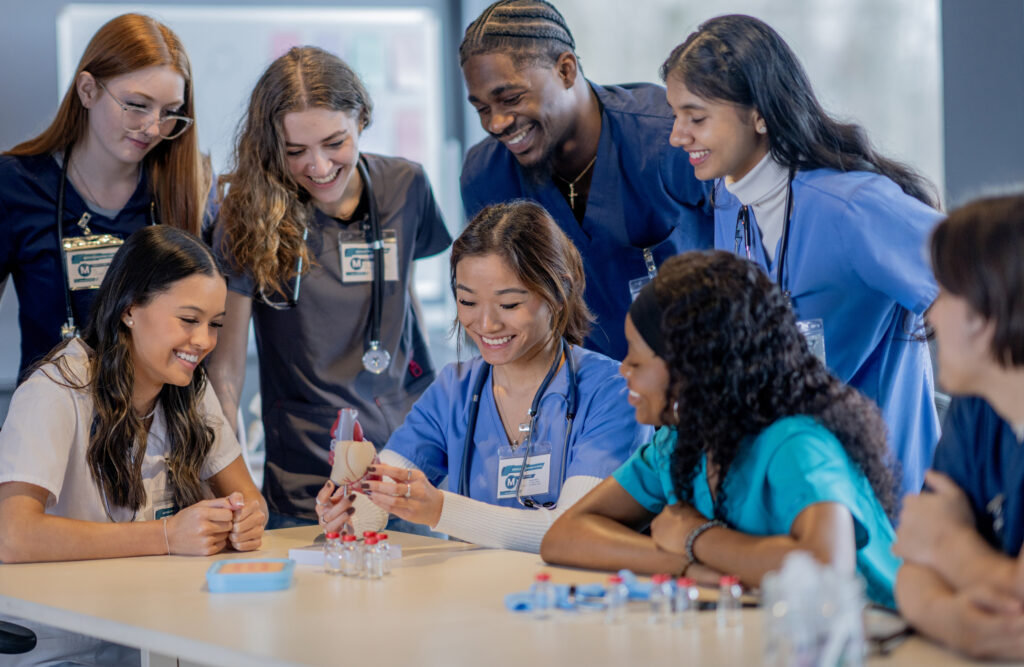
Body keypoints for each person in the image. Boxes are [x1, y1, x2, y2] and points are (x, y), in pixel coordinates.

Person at [661, 14, 942, 497]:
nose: (676, 136)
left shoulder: (853, 207)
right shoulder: (730, 200)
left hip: (887, 491)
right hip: (796, 483)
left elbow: (980, 291)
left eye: (696, 117)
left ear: (759, 113)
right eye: (675, 115)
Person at [541, 251, 900, 608]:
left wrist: (696, 537)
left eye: (636, 358)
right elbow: (564, 536)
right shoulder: (679, 441)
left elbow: (826, 568)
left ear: (692, 367)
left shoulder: (796, 442)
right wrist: (684, 564)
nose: (624, 371)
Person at [208, 46, 451, 528]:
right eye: (295, 151)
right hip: (305, 472)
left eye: (334, 143)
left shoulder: (406, 186)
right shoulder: (247, 211)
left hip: (407, 462)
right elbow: (226, 366)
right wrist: (231, 483)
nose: (318, 167)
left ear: (361, 118)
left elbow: (406, 305)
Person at [318, 200, 651, 552]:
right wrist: (350, 507)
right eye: (468, 302)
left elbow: (575, 531)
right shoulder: (454, 390)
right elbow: (385, 490)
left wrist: (441, 510)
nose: (487, 324)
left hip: (576, 599)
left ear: (560, 291)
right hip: (475, 598)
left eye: (509, 305)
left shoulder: (614, 392)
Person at [0, 225, 266, 665]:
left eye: (215, 325)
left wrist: (245, 521)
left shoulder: (190, 389)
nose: (204, 341)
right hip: (63, 648)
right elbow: (11, 535)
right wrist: (165, 535)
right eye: (189, 320)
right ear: (129, 309)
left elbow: (248, 498)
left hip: (155, 634)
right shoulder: (57, 388)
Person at [458, 0, 712, 361]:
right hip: (582, 394)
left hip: (701, 374)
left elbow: (756, 250)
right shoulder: (486, 176)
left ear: (565, 70)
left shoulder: (668, 137)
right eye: (482, 109)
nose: (496, 123)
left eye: (511, 99)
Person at [0, 13, 212, 382]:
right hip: (51, 427)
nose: (153, 128)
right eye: (137, 105)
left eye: (170, 113)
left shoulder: (186, 190)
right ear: (88, 90)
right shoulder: (17, 185)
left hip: (158, 430)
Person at [894, 194, 1024, 660]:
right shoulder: (980, 405)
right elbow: (911, 566)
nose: (930, 315)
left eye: (946, 294)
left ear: (986, 315)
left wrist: (949, 544)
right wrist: (960, 625)